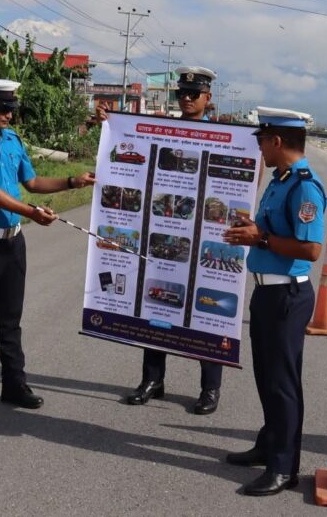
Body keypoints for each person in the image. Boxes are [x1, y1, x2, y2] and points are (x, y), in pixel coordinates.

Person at [0, 78, 95, 414]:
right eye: (3, 108)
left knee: (10, 320)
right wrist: (31, 212)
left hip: (13, 243)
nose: (9, 115)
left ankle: (14, 385)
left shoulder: (13, 140)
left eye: (12, 109)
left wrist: (73, 182)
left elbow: (32, 182)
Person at [98, 65, 225, 415]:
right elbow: (128, 150)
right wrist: (108, 123)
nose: (186, 99)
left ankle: (210, 388)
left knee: (205, 313)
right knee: (156, 306)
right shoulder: (163, 130)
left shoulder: (223, 135)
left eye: (193, 94)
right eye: (181, 93)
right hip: (164, 231)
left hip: (201, 237)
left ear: (207, 98)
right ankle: (153, 380)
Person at [221, 107, 326, 497]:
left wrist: (260, 239)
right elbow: (271, 230)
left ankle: (284, 468)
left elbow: (311, 249)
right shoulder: (281, 180)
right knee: (266, 376)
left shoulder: (304, 187)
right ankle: (268, 445)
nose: (260, 148)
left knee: (283, 384)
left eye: (262, 141)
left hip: (287, 295)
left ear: (277, 141)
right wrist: (255, 229)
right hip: (266, 292)